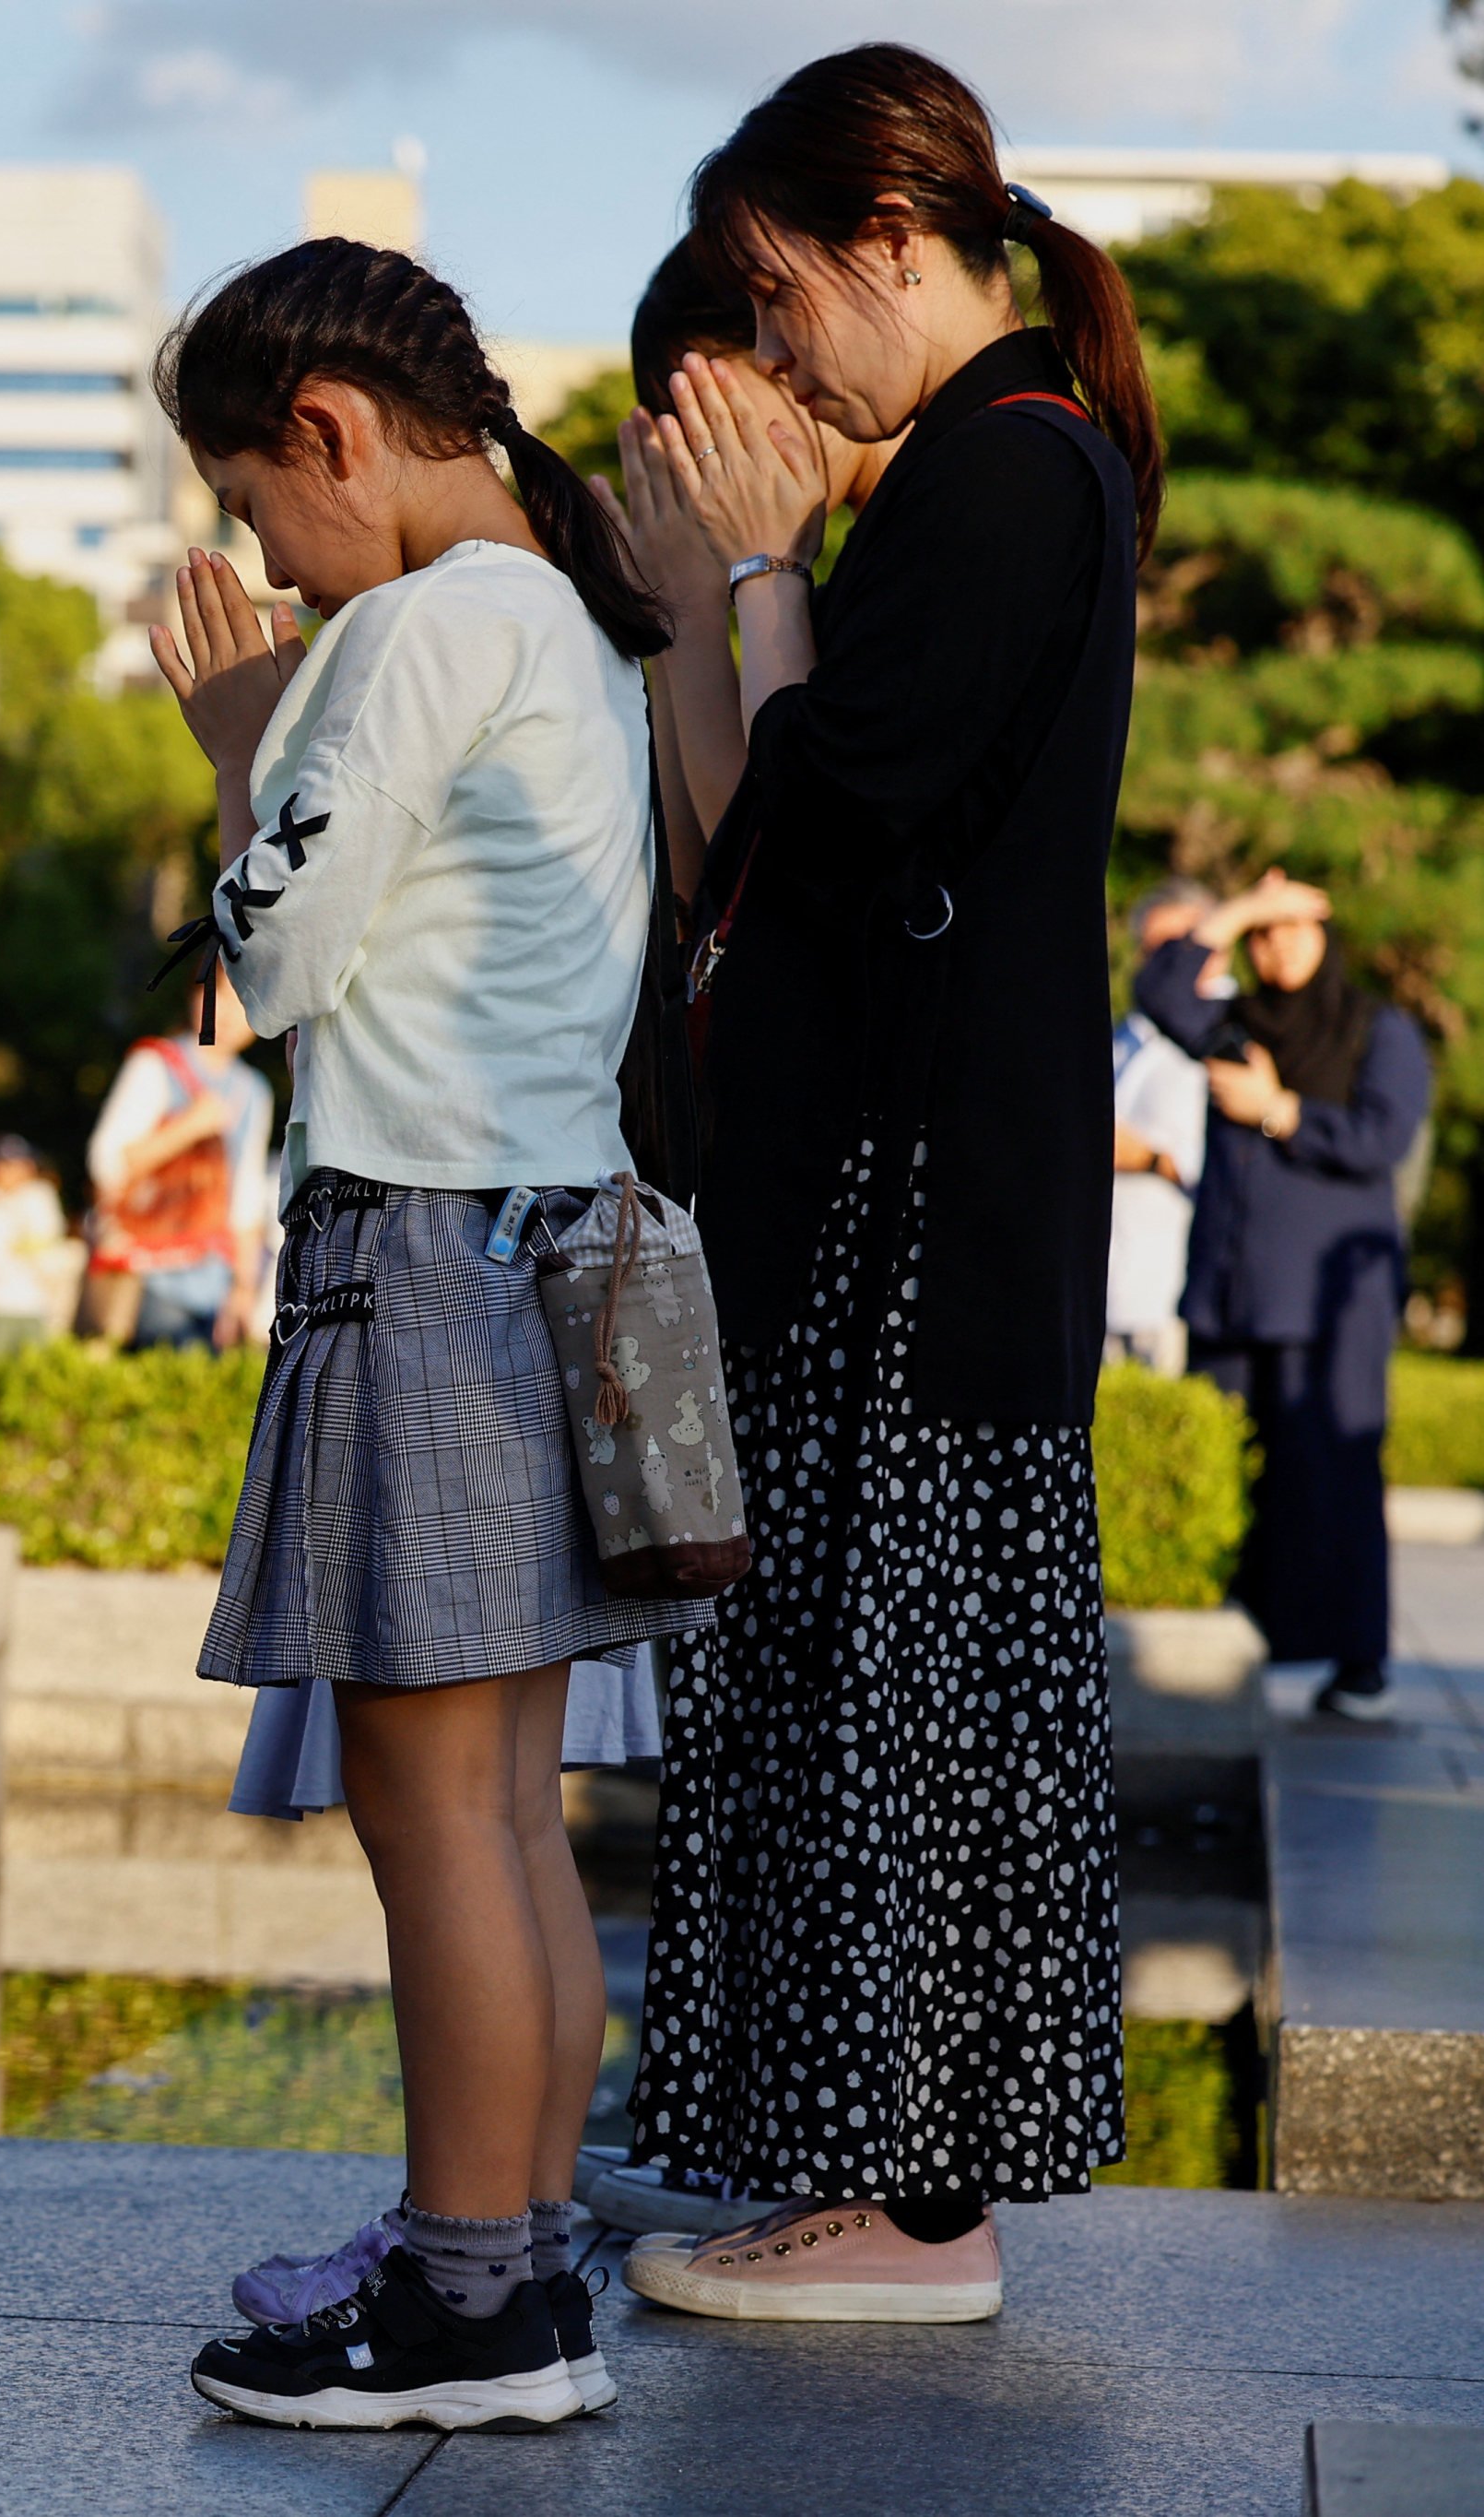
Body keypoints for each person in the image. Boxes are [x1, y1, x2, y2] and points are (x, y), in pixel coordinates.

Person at [608, 44, 1155, 2322]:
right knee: (866, 1665)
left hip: (942, 1194)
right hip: (916, 1182)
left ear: (889, 246)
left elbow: (832, 815)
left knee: (919, 1672)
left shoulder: (1012, 473)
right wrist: (732, 591)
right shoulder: (984, 470)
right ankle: (878, 2176)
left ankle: (924, 2206)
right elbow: (783, 838)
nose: (767, 356)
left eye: (774, 293)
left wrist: (749, 569)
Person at [147, 233, 697, 2434]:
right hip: (554, 1260)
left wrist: (232, 743)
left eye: (252, 505)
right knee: (509, 1808)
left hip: (424, 1253)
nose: (257, 557)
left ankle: (473, 2310)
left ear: (334, 435)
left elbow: (273, 971)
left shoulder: (405, 633)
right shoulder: (559, 618)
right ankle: (516, 2258)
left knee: (428, 1805)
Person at [1134, 870, 1429, 1720]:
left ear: (1328, 937)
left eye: (1295, 927)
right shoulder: (1234, 1023)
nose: (1278, 945)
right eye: (1265, 933)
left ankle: (1356, 1661)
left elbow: (1382, 1136)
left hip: (1329, 1308)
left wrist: (1279, 1110)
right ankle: (1236, 1647)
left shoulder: (1376, 1028)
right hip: (1233, 1291)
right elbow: (1158, 990)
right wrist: (1236, 909)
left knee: (1330, 1476)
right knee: (1228, 1472)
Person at [603, 236, 903, 873]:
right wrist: (659, 616)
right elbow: (693, 884)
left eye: (714, 421)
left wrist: (691, 611)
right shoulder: (846, 553)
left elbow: (763, 857)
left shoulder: (913, 543)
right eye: (683, 437)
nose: (705, 470)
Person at [82, 1008, 277, 1349]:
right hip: (146, 1273)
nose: (232, 1012)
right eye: (219, 993)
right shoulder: (155, 1064)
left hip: (215, 1277)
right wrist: (188, 1127)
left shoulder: (253, 1091)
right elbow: (107, 1165)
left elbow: (245, 1197)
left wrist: (244, 1286)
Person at [1109, 879, 1216, 1376]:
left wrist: (1149, 1156)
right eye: (1149, 949)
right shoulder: (1123, 1034)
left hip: (1170, 1288)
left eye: (1174, 948)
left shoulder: (1229, 1031)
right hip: (1102, 1283)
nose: (1158, 963)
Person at [0, 1137, 77, 1351]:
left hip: (40, 1307)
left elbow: (52, 1244)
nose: (22, 1171)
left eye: (24, 1163)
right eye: (10, 1165)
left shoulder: (39, 1198)